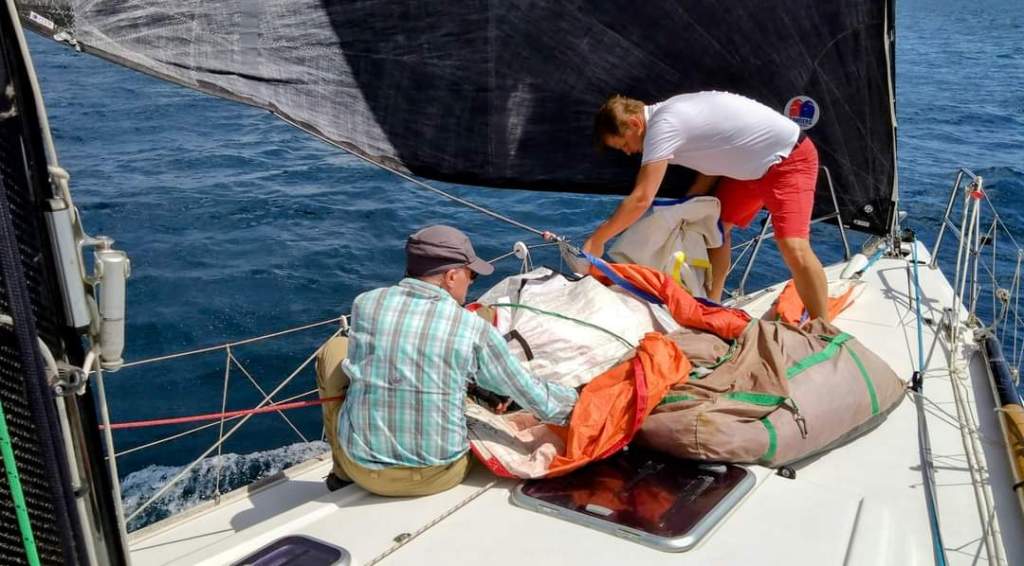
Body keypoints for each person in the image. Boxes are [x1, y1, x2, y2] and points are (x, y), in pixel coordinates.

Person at [316, 224, 578, 496]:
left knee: (334, 349)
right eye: (471, 274)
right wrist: (577, 400)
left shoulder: (366, 303)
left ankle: (340, 473)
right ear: (451, 276)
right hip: (439, 473)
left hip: (362, 469)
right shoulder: (472, 327)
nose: (472, 281)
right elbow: (533, 395)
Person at [585, 92, 829, 321]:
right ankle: (713, 305)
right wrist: (692, 200)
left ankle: (823, 328)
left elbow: (641, 198)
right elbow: (714, 151)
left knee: (793, 247)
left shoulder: (663, 125)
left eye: (623, 144)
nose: (628, 152)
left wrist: (598, 239)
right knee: (715, 229)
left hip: (789, 159)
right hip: (749, 168)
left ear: (634, 123)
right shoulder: (669, 114)